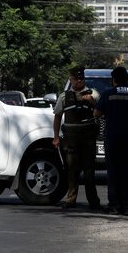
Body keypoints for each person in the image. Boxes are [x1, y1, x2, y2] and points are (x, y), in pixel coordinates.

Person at [94, 66, 128, 216]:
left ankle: (115, 206)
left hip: (113, 139)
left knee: (113, 172)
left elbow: (97, 113)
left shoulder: (108, 94)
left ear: (114, 80)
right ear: (127, 80)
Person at [52, 66, 101, 209]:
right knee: (72, 170)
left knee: (89, 171)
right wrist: (55, 137)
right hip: (71, 140)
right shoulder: (64, 96)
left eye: (81, 78)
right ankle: (71, 199)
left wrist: (92, 101)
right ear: (71, 80)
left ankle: (93, 201)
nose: (79, 81)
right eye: (76, 78)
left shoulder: (93, 93)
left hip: (87, 139)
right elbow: (57, 117)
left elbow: (101, 110)